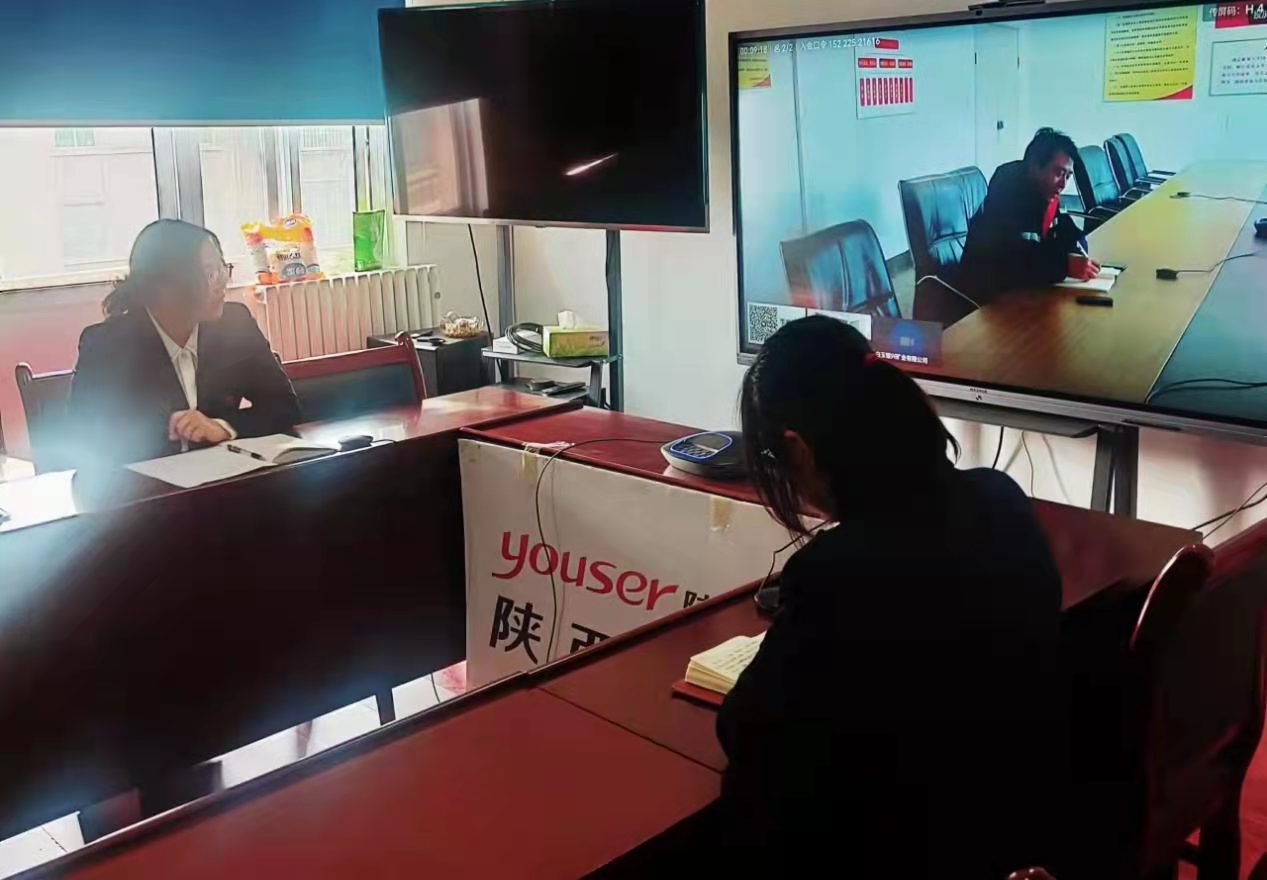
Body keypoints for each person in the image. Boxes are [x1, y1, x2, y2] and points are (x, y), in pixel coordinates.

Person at [717, 316, 1067, 877]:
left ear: (798, 450)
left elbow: (747, 733)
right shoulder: (999, 496)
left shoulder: (836, 574)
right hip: (1010, 828)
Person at [67, 219, 300, 470]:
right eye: (210, 273)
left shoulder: (234, 324)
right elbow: (86, 437)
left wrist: (222, 427)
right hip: (146, 488)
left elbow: (284, 406)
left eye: (223, 268)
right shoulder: (107, 345)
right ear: (165, 286)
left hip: (225, 480)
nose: (223, 282)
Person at [960, 127, 1101, 301]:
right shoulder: (1007, 193)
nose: (1063, 184)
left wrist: (1076, 244)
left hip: (1026, 292)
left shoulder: (1046, 192)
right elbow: (1011, 260)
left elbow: (1058, 229)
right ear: (1035, 167)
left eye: (1068, 176)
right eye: (1058, 173)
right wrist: (1064, 266)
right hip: (987, 298)